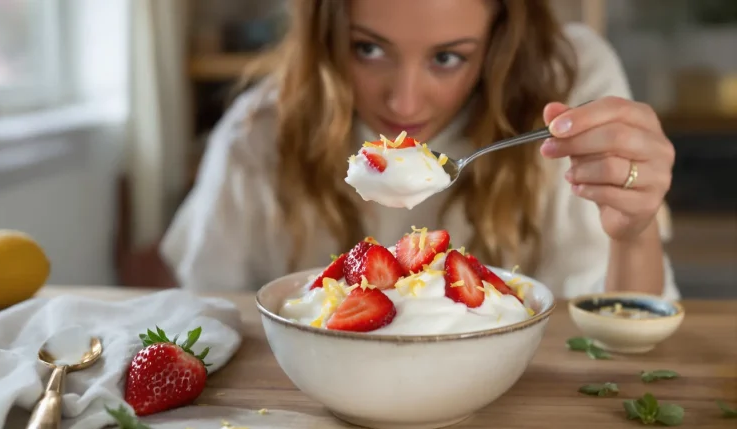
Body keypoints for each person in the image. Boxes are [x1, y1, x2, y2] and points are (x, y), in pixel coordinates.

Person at [161, 0, 680, 300]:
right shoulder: (261, 129)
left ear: (500, 37)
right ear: (326, 33)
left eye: (448, 58)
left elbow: (626, 334)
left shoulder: (571, 82)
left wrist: (634, 234)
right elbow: (210, 310)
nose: (404, 102)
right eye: (368, 49)